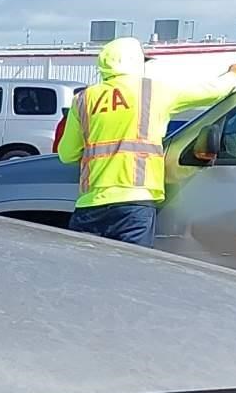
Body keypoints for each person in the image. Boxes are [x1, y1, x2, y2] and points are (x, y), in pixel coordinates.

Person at [56, 35, 171, 246]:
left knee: (85, 271)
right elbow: (211, 91)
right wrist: (234, 74)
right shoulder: (154, 91)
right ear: (137, 64)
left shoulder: (83, 98)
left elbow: (66, 154)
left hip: (90, 204)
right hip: (135, 203)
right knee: (130, 273)